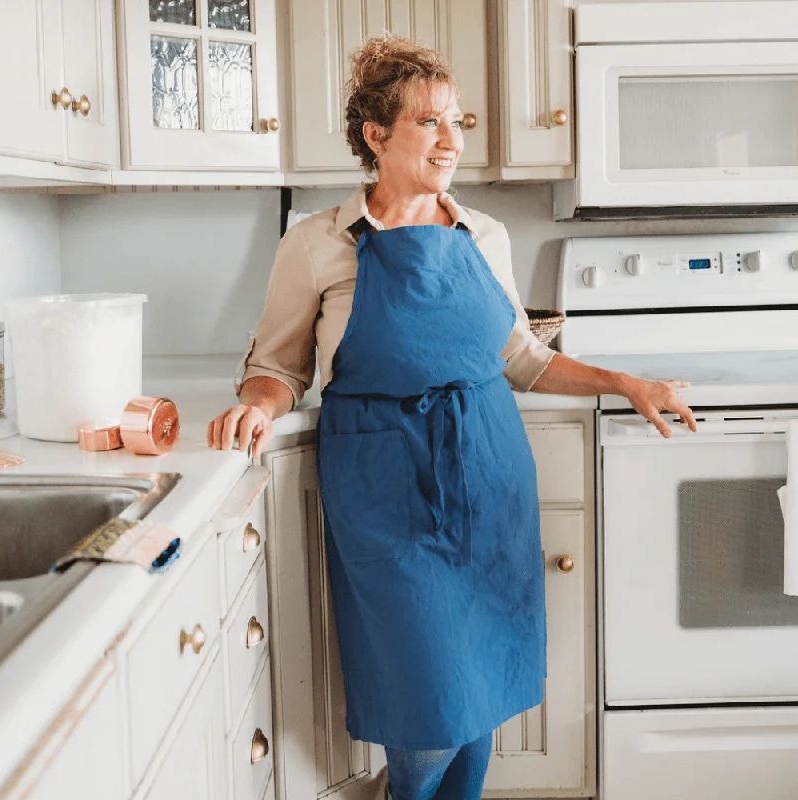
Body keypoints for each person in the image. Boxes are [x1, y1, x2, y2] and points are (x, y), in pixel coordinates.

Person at [207, 35, 697, 800]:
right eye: (429, 121)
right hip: (383, 488)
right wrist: (254, 404)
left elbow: (522, 361)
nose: (451, 139)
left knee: (479, 703)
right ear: (376, 135)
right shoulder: (318, 244)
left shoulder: (484, 237)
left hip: (487, 473)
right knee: (428, 705)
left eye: (456, 120)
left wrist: (623, 382)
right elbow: (278, 366)